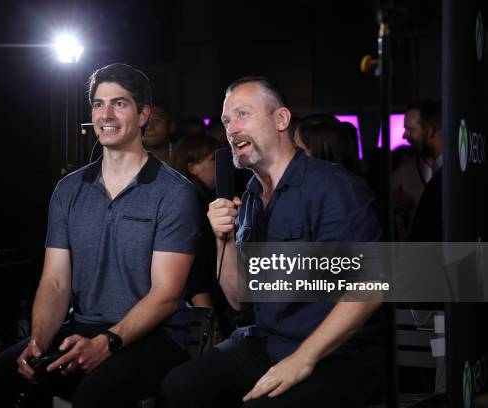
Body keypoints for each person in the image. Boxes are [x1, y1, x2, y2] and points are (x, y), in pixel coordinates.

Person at [0, 63, 201, 407]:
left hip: (155, 338)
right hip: (83, 327)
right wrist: (39, 342)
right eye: (98, 104)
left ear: (143, 114)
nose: (106, 114)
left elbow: (166, 294)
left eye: (119, 103)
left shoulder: (174, 192)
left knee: (92, 397)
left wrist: (107, 342)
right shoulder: (69, 190)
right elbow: (56, 282)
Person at [161, 77, 383, 408]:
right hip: (267, 342)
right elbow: (238, 299)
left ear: (281, 119)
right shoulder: (249, 197)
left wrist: (303, 358)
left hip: (334, 353)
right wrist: (222, 240)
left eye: (242, 114)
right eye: (226, 121)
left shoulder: (332, 187)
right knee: (179, 387)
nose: (231, 129)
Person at [170, 135, 236, 341]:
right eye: (213, 160)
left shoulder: (207, 199)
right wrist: (208, 314)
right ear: (193, 168)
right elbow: (194, 265)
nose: (220, 166)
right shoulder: (192, 204)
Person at [392, 100, 441, 241]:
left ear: (431, 131)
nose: (404, 136)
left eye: (410, 129)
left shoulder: (453, 172)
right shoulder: (402, 173)